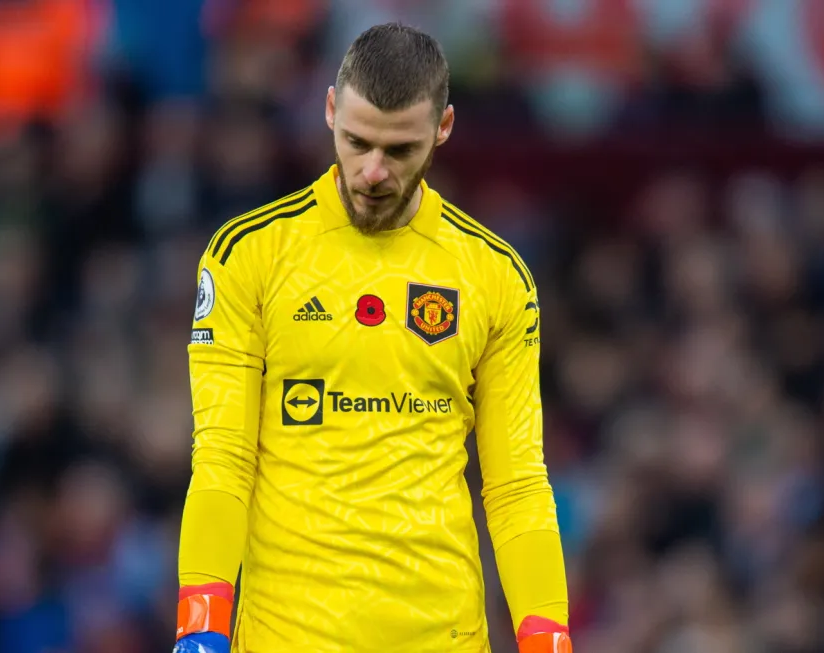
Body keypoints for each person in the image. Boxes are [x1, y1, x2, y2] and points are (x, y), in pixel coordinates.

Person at [175, 23, 572, 653]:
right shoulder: (248, 256)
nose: (372, 172)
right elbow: (223, 460)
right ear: (330, 109)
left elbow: (517, 484)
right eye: (355, 142)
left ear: (443, 128)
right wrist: (200, 629)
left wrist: (549, 639)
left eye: (401, 150)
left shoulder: (495, 277)